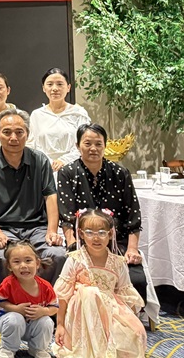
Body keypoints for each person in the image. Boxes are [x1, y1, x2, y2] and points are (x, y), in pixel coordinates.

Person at [54, 208, 147, 358]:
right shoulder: (75, 259)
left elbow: (125, 294)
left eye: (102, 233)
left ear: (111, 234)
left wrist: (128, 320)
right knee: (90, 292)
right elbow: (63, 295)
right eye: (89, 232)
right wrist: (60, 325)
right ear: (81, 234)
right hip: (83, 310)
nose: (96, 238)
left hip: (110, 308)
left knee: (136, 333)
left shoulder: (118, 263)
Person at [0, 109, 66, 283]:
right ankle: (11, 300)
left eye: (19, 132)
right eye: (7, 132)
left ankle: (43, 298)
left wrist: (52, 231)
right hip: (3, 228)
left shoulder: (40, 160)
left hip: (37, 227)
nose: (13, 138)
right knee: (3, 258)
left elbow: (50, 196)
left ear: (27, 135)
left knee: (57, 255)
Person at [57, 123, 146, 299]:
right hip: (83, 241)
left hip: (114, 241)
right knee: (82, 282)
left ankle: (126, 315)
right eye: (87, 143)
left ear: (105, 146)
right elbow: (66, 216)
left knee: (137, 280)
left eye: (98, 144)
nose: (93, 148)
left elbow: (133, 216)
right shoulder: (67, 173)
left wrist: (132, 249)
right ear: (77, 146)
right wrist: (73, 245)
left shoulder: (120, 173)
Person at [0, 241, 57, 358]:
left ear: (37, 263)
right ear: (9, 266)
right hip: (11, 324)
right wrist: (16, 309)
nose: (23, 265)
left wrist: (44, 311)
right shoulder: (8, 283)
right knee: (15, 319)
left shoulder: (46, 286)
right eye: (16, 262)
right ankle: (8, 347)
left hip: (33, 325)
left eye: (28, 261)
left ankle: (38, 348)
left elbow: (54, 307)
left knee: (46, 321)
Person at [30, 68, 91, 171]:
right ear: (43, 88)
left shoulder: (79, 113)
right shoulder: (36, 115)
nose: (55, 88)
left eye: (60, 84)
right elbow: (33, 144)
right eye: (50, 84)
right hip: (44, 167)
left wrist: (64, 160)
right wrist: (49, 162)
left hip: (74, 166)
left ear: (68, 87)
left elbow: (85, 142)